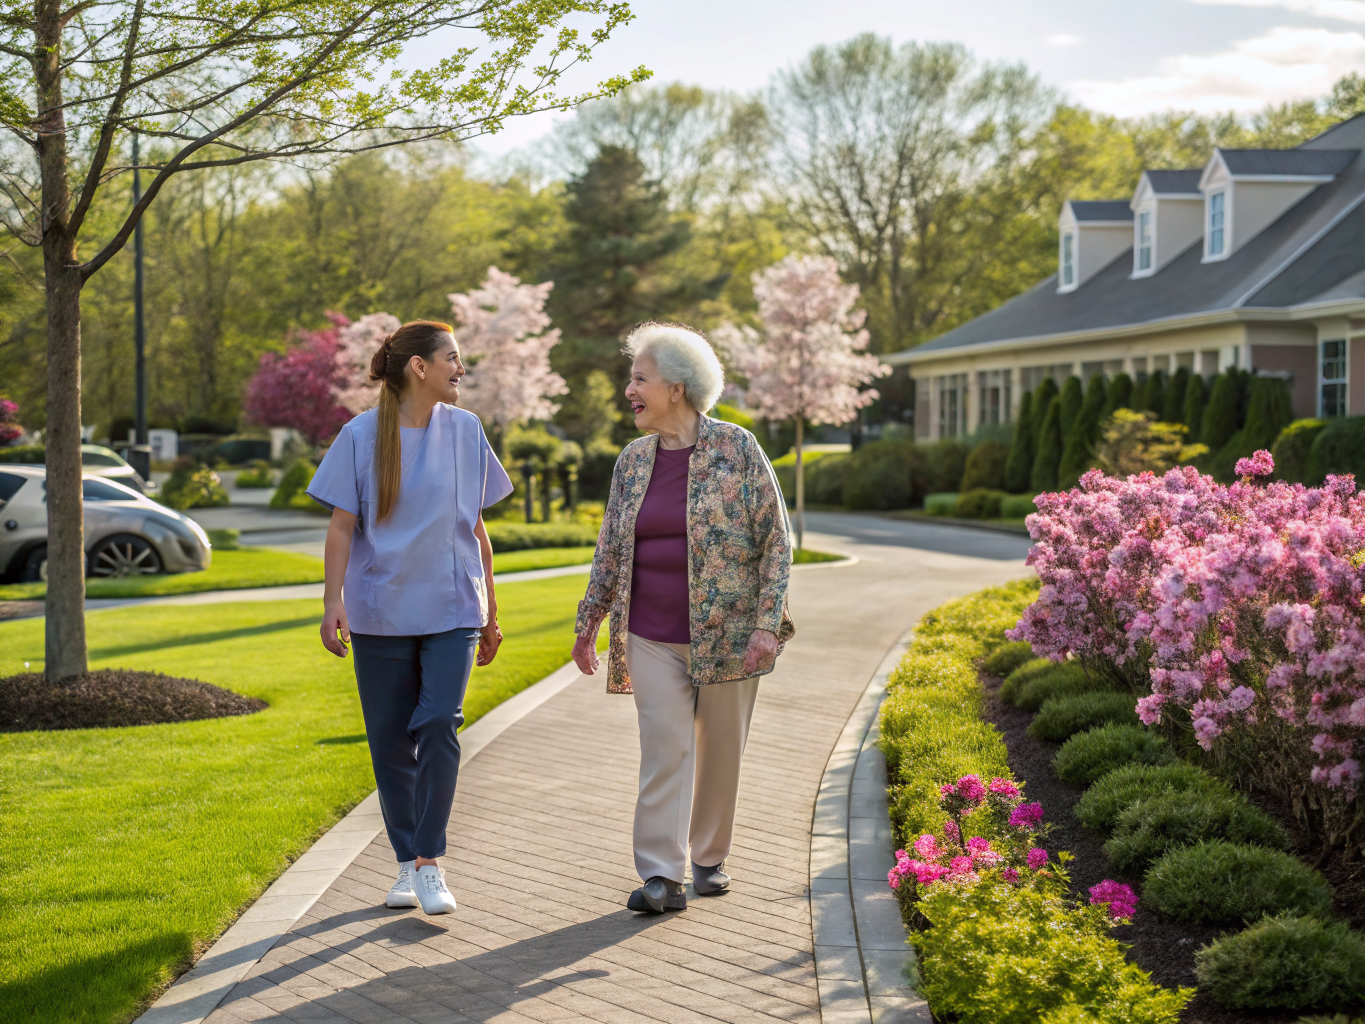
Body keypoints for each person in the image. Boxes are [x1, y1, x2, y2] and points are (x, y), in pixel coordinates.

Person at [572, 321, 794, 914]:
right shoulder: (633, 461)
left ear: (677, 387)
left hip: (731, 635)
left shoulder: (738, 449)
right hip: (650, 632)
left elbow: (777, 540)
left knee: (721, 748)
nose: (629, 390)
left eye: (639, 378)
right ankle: (661, 876)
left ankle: (708, 858)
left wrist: (768, 624)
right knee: (664, 746)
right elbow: (610, 548)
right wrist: (589, 618)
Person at [308, 320, 513, 916]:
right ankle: (404, 864)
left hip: (454, 606)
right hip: (380, 609)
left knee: (438, 724)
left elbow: (476, 528)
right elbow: (342, 525)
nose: (462, 369)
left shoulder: (468, 430)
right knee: (391, 742)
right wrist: (331, 600)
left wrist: (492, 609)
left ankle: (428, 861)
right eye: (453, 358)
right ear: (419, 367)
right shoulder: (360, 435)